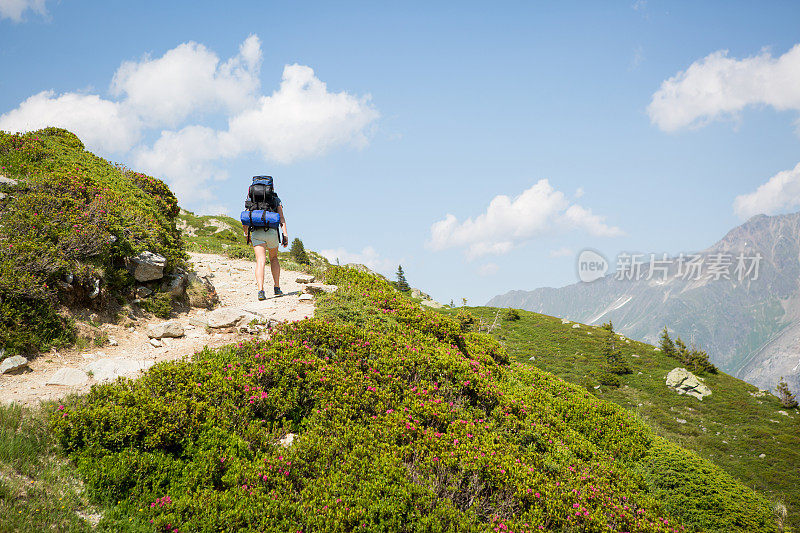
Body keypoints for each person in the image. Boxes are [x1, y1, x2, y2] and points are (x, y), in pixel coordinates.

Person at [242, 193, 288, 301]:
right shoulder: (276, 199)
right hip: (272, 232)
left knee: (260, 261)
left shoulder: (251, 199)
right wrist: (285, 234)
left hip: (257, 233)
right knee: (274, 258)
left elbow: (245, 220)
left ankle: (261, 291)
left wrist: (246, 234)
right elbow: (281, 218)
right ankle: (277, 288)